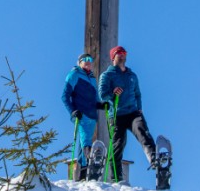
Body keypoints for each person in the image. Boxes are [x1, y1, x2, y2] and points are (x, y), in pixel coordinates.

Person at [98, 45, 157, 182]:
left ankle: (154, 159)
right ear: (113, 57)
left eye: (124, 53)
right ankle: (116, 178)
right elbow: (103, 95)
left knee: (143, 132)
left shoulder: (132, 76)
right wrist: (112, 94)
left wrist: (139, 108)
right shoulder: (107, 75)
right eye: (119, 53)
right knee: (118, 145)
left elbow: (138, 94)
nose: (122, 55)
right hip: (116, 114)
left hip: (133, 112)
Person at [61, 53, 100, 181]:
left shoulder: (93, 78)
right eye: (85, 60)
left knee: (84, 141)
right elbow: (65, 96)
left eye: (91, 60)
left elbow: (95, 98)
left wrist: (102, 104)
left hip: (92, 115)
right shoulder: (74, 74)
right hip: (81, 114)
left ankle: (82, 174)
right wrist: (73, 111)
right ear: (79, 62)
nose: (89, 62)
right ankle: (91, 160)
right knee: (85, 140)